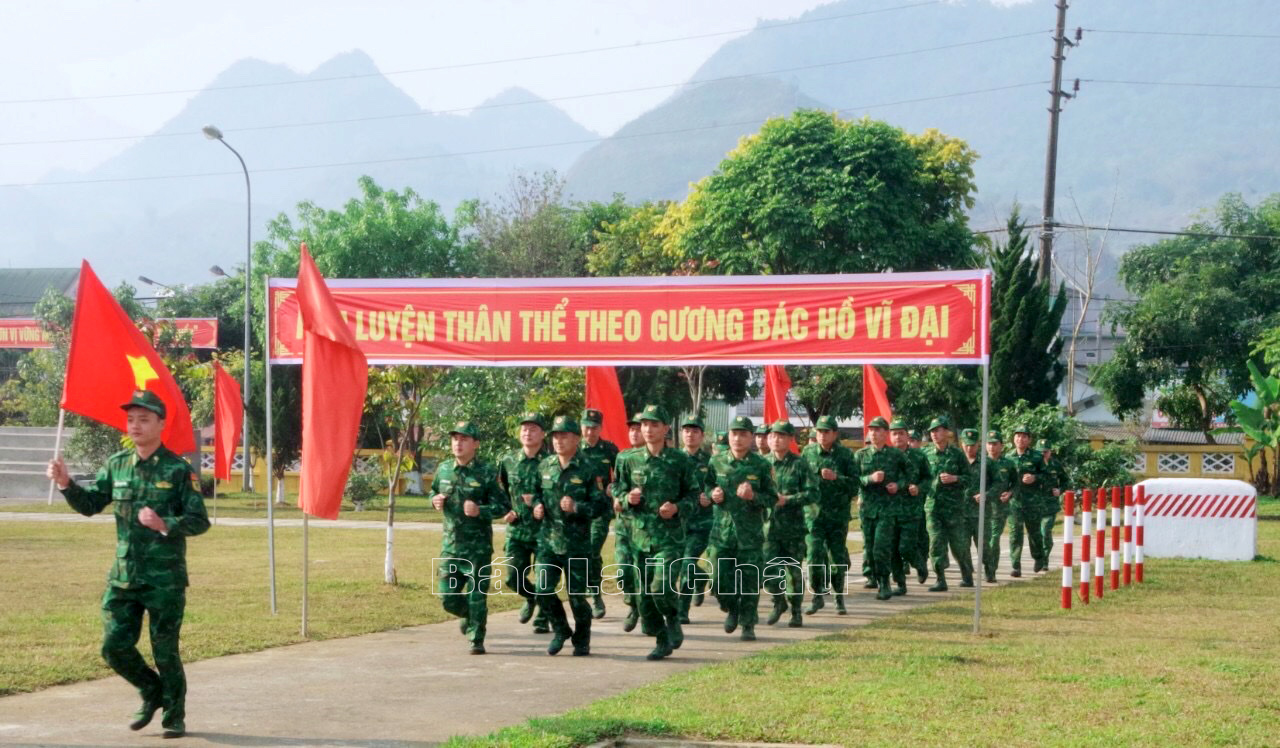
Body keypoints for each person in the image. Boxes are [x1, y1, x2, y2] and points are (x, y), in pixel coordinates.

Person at [46, 390, 210, 739]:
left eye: (144, 419)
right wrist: (65, 484)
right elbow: (91, 504)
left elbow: (199, 520)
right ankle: (152, 691)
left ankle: (174, 717)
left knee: (165, 650)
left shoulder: (178, 470)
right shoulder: (117, 464)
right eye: (131, 419)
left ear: (161, 424)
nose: (135, 425)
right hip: (124, 576)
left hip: (164, 578)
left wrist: (164, 523)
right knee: (113, 646)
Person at [611, 405, 700, 660]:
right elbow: (616, 487)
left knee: (661, 587)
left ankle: (673, 618)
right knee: (644, 599)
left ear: (665, 428)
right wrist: (627, 497)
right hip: (638, 538)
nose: (648, 430)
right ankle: (661, 638)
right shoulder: (627, 459)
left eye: (654, 425)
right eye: (644, 425)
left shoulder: (680, 461)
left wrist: (677, 507)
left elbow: (694, 495)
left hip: (669, 538)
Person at [431, 421, 511, 655]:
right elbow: (433, 491)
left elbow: (503, 505)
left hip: (477, 549)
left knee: (477, 597)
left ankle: (476, 638)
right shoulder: (444, 469)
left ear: (475, 444)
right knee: (447, 598)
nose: (458, 443)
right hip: (451, 547)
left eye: (464, 439)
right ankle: (470, 616)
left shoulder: (486, 473)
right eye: (455, 438)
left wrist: (480, 510)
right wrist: (434, 500)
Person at [532, 416, 609, 656]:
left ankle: (582, 639)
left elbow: (600, 507)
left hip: (577, 544)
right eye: (555, 436)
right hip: (548, 541)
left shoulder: (588, 469)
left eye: (564, 435)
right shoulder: (545, 466)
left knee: (577, 598)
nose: (558, 440)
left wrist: (577, 507)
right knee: (542, 590)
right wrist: (536, 506)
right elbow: (535, 493)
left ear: (576, 439)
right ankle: (561, 629)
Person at [709, 416, 777, 640]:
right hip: (722, 534)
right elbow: (706, 488)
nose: (737, 438)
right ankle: (732, 608)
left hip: (750, 534)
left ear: (751, 438)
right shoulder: (716, 462)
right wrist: (712, 494)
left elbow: (772, 498)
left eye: (743, 434)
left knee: (749, 582)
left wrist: (753, 496)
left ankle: (748, 624)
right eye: (734, 433)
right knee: (719, 582)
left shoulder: (761, 465)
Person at [496, 412, 550, 633]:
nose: (528, 433)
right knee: (511, 577)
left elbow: (558, 492)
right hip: (517, 530)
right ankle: (531, 597)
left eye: (533, 429)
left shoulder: (551, 462)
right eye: (524, 429)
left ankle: (543, 618)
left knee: (545, 577)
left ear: (543, 434)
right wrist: (505, 511)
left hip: (544, 531)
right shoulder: (508, 461)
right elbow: (499, 492)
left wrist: (542, 505)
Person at [801, 415, 856, 614]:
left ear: (835, 434)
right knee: (814, 555)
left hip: (837, 516)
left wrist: (836, 478)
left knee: (836, 558)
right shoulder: (807, 453)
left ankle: (839, 596)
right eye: (819, 431)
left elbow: (855, 485)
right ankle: (817, 596)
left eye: (826, 432)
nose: (822, 435)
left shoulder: (845, 455)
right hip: (813, 515)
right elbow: (801, 479)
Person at [855, 416, 911, 600]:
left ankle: (884, 584)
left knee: (881, 547)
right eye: (871, 429)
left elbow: (910, 475)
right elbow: (853, 479)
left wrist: (898, 485)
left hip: (888, 509)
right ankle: (876, 577)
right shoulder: (861, 455)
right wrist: (869, 479)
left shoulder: (896, 455)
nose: (874, 433)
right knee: (870, 549)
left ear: (886, 433)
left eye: (878, 430)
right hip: (867, 509)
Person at [764, 420, 813, 627]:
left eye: (781, 436)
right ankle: (778, 602)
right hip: (769, 528)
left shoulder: (799, 464)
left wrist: (789, 500)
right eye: (773, 436)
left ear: (790, 439)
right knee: (768, 570)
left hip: (793, 528)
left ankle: (796, 611)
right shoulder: (762, 463)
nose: (776, 440)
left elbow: (813, 493)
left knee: (793, 572)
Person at [922, 417, 974, 591]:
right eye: (932, 431)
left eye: (938, 430)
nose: (934, 434)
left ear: (946, 432)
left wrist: (955, 478)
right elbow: (919, 477)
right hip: (933, 507)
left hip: (954, 508)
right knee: (936, 543)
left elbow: (970, 479)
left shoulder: (957, 454)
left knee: (959, 546)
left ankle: (967, 575)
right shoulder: (925, 454)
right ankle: (940, 579)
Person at [580, 408, 620, 620]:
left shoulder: (609, 450)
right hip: (578, 512)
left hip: (601, 511)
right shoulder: (574, 449)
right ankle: (588, 591)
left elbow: (622, 477)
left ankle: (595, 595)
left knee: (592, 549)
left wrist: (613, 489)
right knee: (582, 554)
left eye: (594, 427)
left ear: (600, 428)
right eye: (586, 426)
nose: (590, 431)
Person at [676, 415, 715, 623]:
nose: (690, 434)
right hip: (678, 523)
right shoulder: (673, 459)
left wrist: (711, 496)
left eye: (695, 431)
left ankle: (682, 609)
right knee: (683, 564)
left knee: (686, 562)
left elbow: (720, 487)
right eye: (686, 431)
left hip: (702, 524)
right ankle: (700, 578)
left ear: (701, 435)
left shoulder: (710, 462)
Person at [611, 412, 646, 632]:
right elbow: (615, 485)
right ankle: (633, 605)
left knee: (643, 573)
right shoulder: (623, 457)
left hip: (645, 526)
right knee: (623, 570)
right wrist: (620, 498)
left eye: (638, 428)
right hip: (624, 524)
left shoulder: (658, 459)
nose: (634, 432)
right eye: (631, 428)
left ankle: (645, 613)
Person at [889, 420, 930, 584]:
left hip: (911, 510)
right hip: (890, 509)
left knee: (905, 547)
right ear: (890, 436)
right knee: (893, 549)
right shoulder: (886, 455)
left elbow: (928, 478)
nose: (898, 437)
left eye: (901, 433)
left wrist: (919, 488)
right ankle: (900, 584)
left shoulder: (919, 456)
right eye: (894, 433)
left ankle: (920, 564)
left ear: (907, 436)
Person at [1006, 425, 1045, 577]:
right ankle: (1016, 565)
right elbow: (1005, 480)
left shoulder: (1036, 457)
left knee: (1034, 533)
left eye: (1024, 436)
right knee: (1015, 533)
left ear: (1029, 440)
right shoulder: (1008, 457)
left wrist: (1035, 478)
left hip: (1033, 502)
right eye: (1017, 436)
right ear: (1013, 438)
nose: (1020, 439)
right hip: (1014, 502)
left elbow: (1048, 477)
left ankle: (1039, 557)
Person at [980, 431, 1016, 582]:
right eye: (989, 443)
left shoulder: (1008, 464)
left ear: (1001, 445)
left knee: (993, 540)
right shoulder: (980, 463)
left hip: (999, 508)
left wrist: (1010, 493)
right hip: (980, 508)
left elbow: (1016, 484)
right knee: (982, 541)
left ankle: (991, 570)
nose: (992, 447)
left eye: (995, 444)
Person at [1038, 438, 1069, 571]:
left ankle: (1044, 560)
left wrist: (1060, 490)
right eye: (1040, 452)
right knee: (1036, 535)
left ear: (1050, 452)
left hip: (1050, 505)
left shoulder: (1056, 465)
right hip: (1034, 505)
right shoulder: (1032, 465)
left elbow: (1066, 481)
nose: (1043, 454)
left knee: (1045, 531)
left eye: (1045, 451)